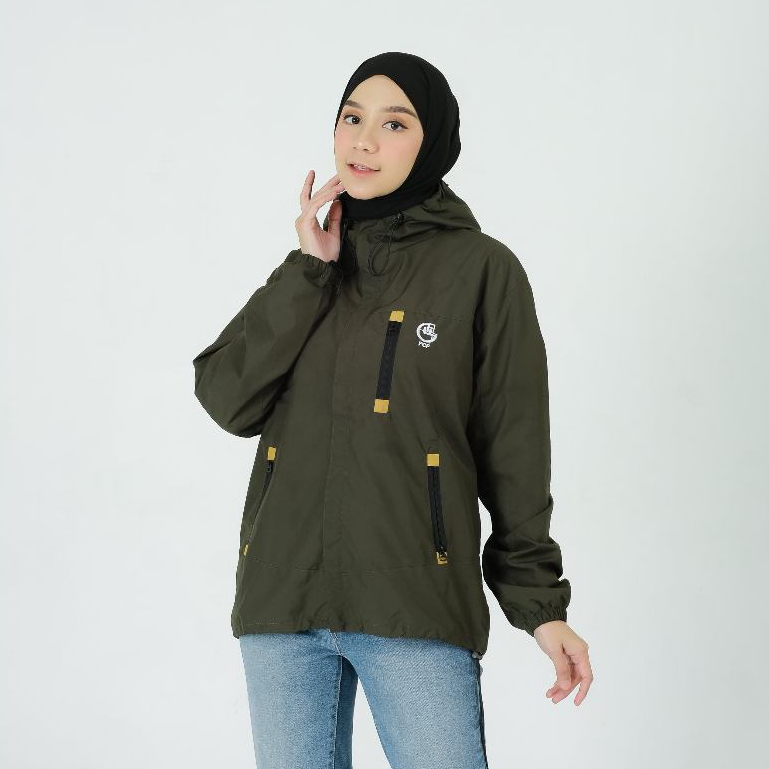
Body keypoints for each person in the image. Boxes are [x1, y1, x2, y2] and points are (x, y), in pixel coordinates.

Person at [192, 51, 593, 769]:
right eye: (351, 118)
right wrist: (307, 270)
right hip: (282, 602)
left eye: (394, 123)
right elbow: (226, 399)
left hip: (414, 599)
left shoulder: (481, 270)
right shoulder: (312, 268)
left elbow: (515, 448)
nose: (364, 140)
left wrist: (542, 608)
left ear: (431, 142)